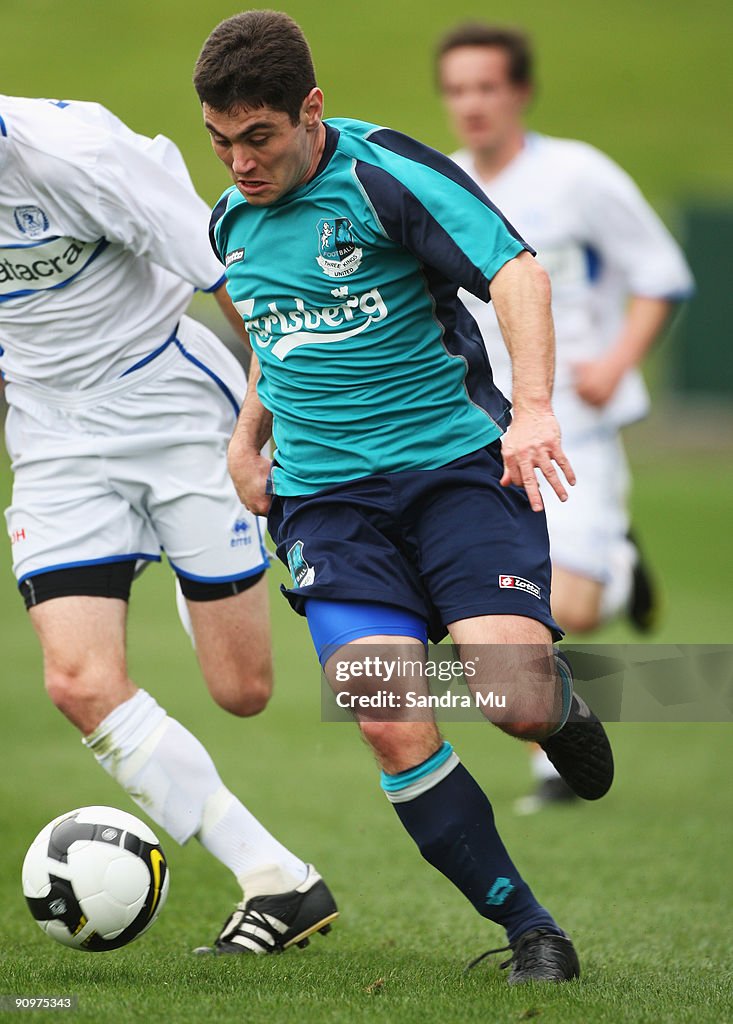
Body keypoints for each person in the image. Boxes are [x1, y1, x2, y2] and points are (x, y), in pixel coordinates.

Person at [194, 9, 615, 984]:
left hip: (457, 474)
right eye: (220, 143)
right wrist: (246, 438)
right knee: (384, 712)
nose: (240, 163)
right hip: (326, 505)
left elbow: (518, 271)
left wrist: (536, 408)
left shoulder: (386, 173)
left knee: (509, 695)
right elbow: (274, 340)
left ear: (311, 110)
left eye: (258, 138)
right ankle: (530, 931)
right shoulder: (228, 224)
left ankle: (557, 709)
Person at [0, 94, 337, 953]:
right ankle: (276, 879)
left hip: (172, 404)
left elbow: (236, 282)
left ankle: (193, 565)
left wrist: (271, 424)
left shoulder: (77, 156)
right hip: (51, 434)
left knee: (242, 690)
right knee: (78, 682)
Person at [435, 23, 695, 811]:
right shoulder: (439, 182)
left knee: (572, 605)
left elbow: (660, 273)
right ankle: (557, 759)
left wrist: (617, 358)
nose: (471, 105)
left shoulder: (578, 175)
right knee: (513, 606)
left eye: (485, 87)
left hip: (571, 420)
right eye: (456, 89)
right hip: (478, 425)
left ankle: (615, 566)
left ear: (519, 91)